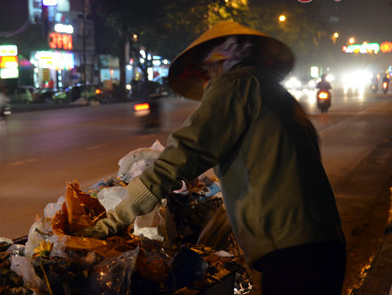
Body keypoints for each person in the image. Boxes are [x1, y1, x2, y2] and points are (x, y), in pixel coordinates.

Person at [75, 21, 346, 294]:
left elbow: (181, 156)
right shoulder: (277, 94)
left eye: (208, 69)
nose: (208, 77)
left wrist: (112, 222)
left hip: (292, 250)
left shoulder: (235, 84)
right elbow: (273, 172)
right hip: (324, 242)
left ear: (221, 63)